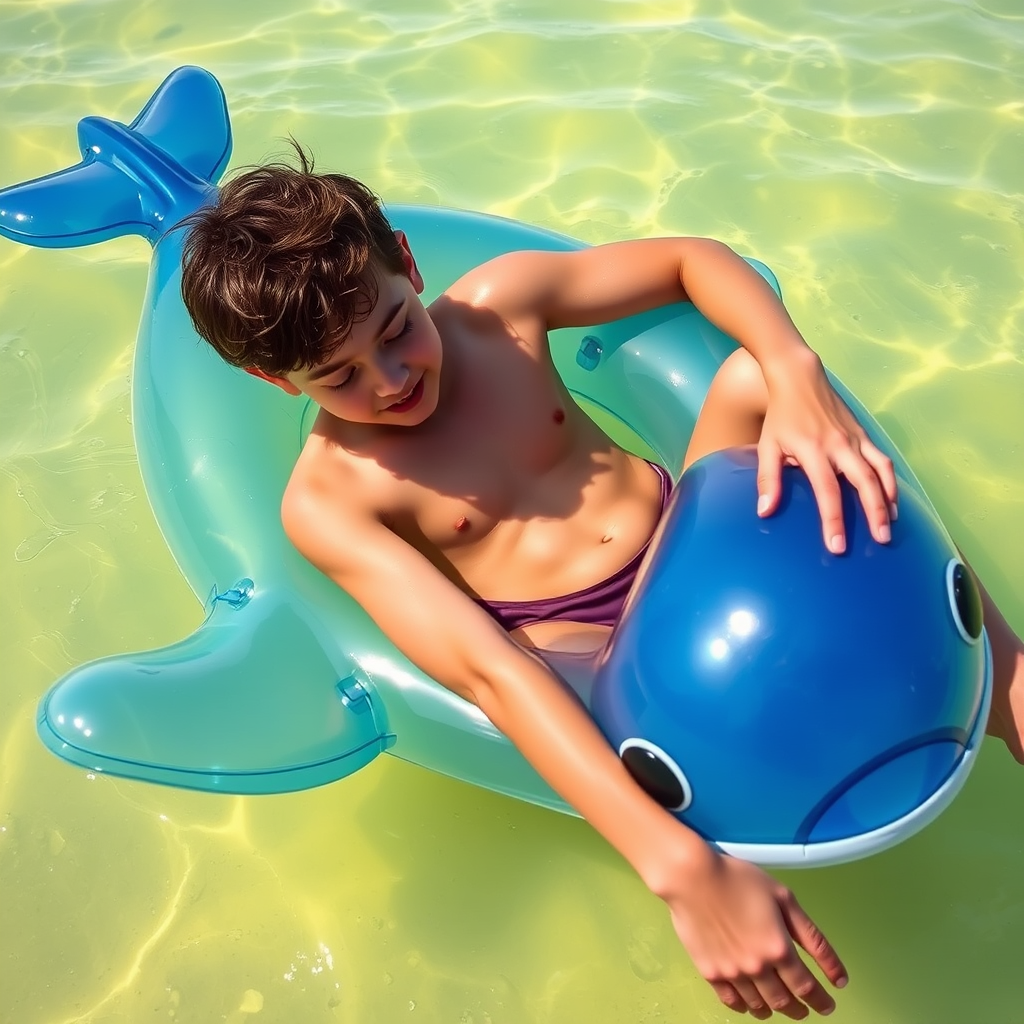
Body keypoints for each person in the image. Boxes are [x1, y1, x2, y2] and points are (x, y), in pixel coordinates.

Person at [179, 148, 1024, 1020]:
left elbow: (694, 260)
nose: (390, 380)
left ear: (409, 260)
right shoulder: (331, 501)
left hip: (688, 522)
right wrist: (679, 869)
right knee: (541, 672)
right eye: (339, 377)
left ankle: (1003, 668)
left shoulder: (499, 307)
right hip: (581, 637)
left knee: (749, 378)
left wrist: (794, 367)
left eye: (395, 330)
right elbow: (485, 671)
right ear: (275, 383)